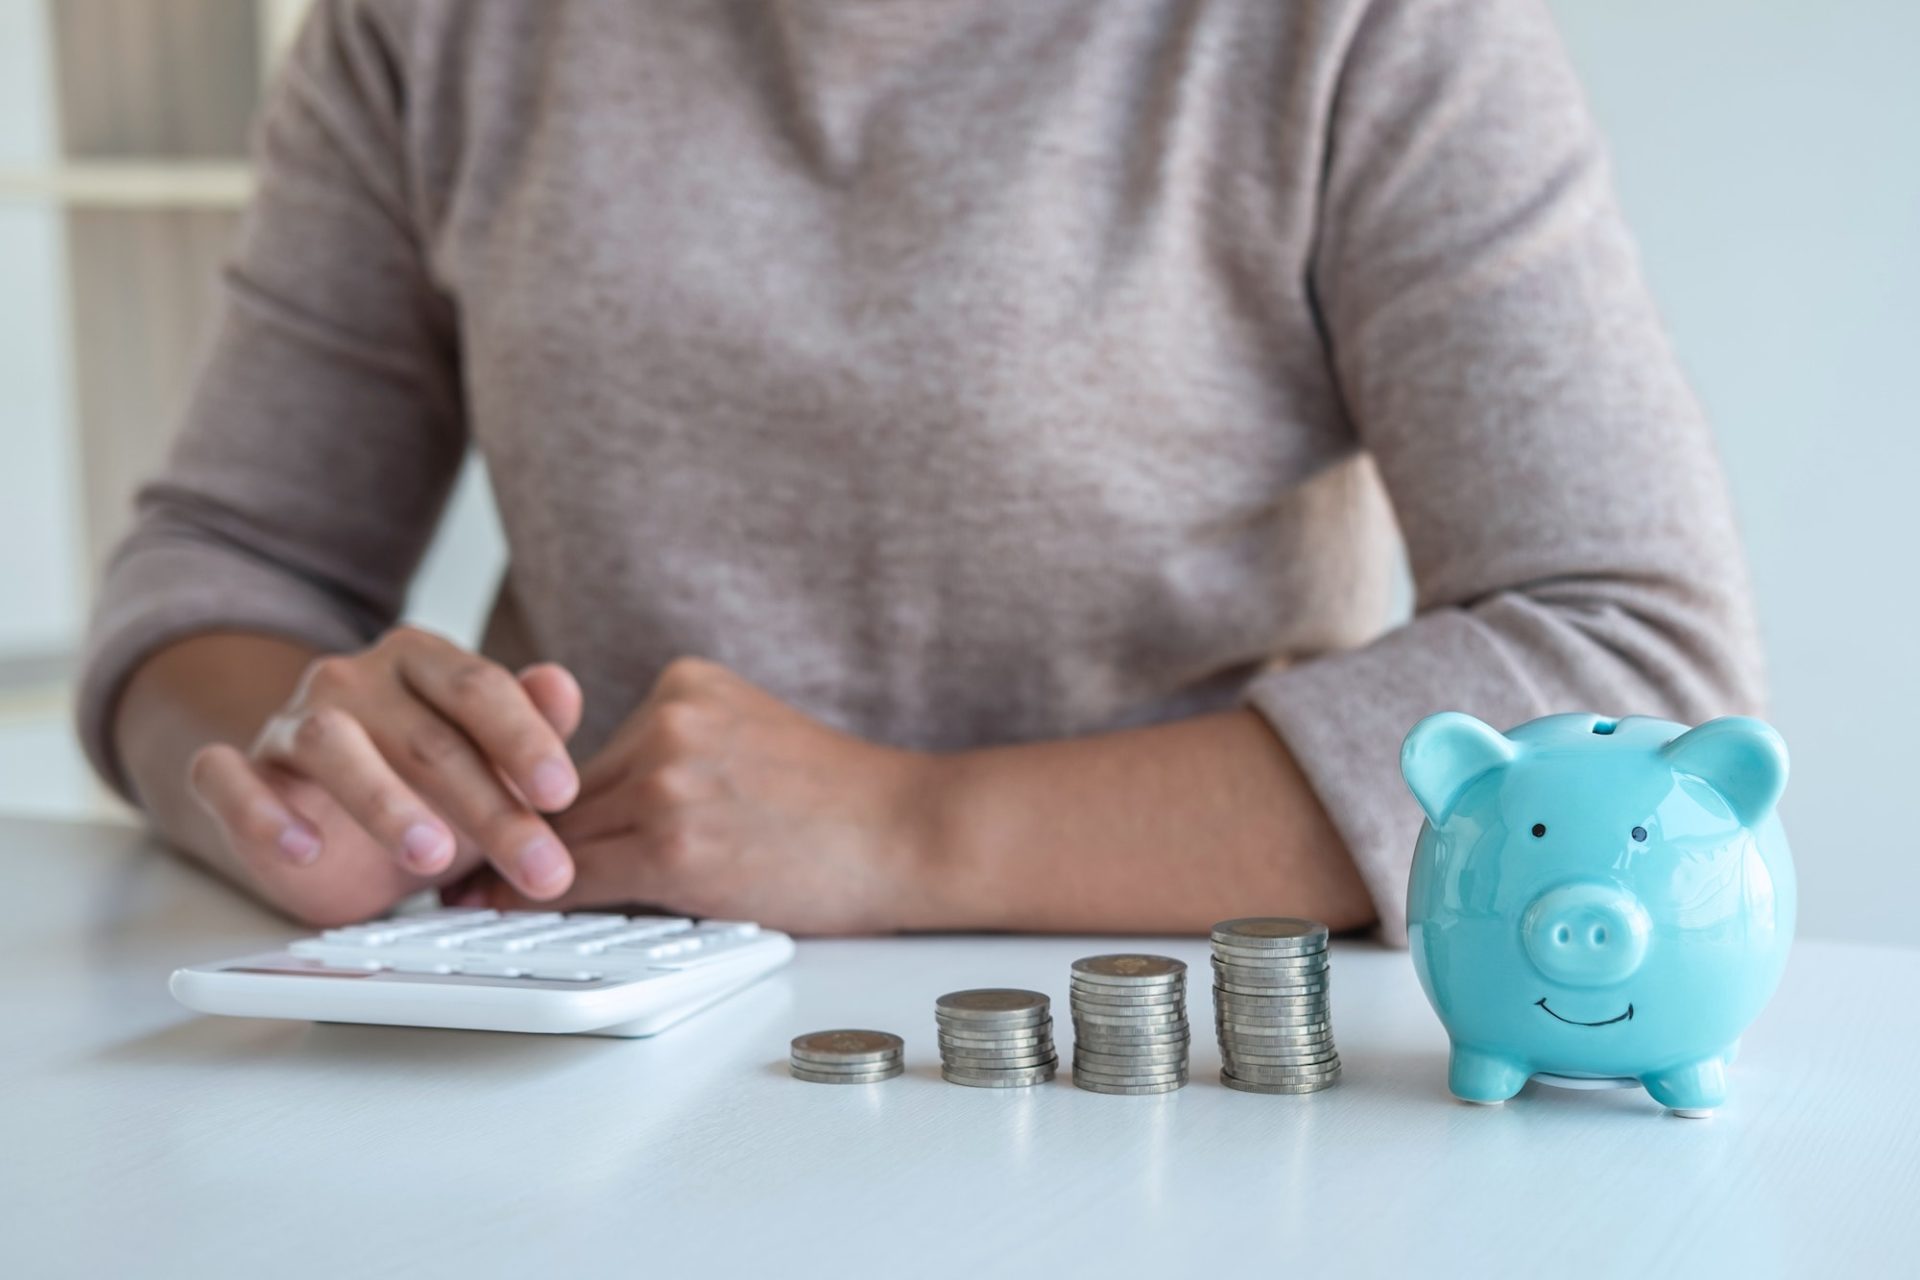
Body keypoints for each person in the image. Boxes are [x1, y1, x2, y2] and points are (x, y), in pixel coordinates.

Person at [76, 0, 1762, 943]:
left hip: (1192, 1077)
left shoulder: (1371, 30)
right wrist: (309, 783)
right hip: (586, 1042)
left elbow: (1631, 663)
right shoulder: (427, 29)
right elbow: (218, 578)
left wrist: (906, 833)